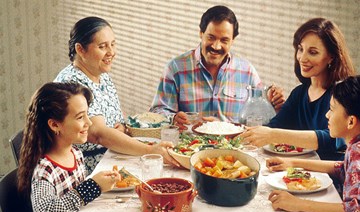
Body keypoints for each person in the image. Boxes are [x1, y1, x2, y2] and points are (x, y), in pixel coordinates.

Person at [54, 16, 179, 173]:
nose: (111, 52)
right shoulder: (72, 84)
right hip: (85, 169)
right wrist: (150, 150)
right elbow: (98, 134)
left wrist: (120, 129)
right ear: (80, 49)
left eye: (113, 44)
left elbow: (114, 123)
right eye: (102, 46)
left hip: (111, 156)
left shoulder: (101, 75)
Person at [150, 5, 285, 130]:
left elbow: (260, 116)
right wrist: (172, 118)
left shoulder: (247, 71)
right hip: (189, 148)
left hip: (234, 149)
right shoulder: (175, 68)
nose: (216, 46)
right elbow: (157, 112)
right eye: (211, 37)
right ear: (201, 33)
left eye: (224, 40)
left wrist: (273, 103)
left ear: (233, 40)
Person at [240, 18, 356, 160]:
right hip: (298, 172)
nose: (302, 58)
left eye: (312, 52)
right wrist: (269, 107)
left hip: (331, 176)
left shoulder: (341, 94)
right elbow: (274, 127)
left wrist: (274, 134)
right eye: (301, 49)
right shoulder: (299, 93)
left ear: (331, 57)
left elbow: (333, 139)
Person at [17, 82, 121, 212]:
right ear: (54, 124)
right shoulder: (45, 170)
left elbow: (76, 199)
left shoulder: (76, 153)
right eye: (80, 117)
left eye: (87, 114)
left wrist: (100, 184)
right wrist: (92, 187)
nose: (89, 122)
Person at [267, 75, 360, 212]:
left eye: (331, 109)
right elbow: (342, 168)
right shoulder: (354, 146)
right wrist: (293, 163)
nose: (327, 115)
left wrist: (298, 204)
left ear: (351, 121)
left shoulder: (357, 152)